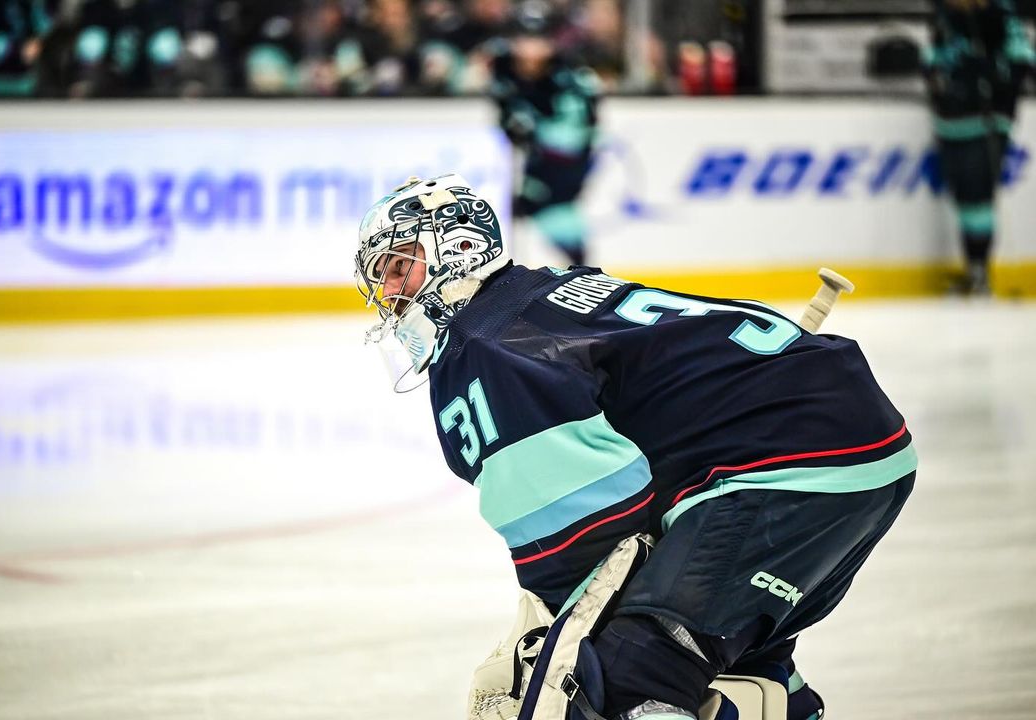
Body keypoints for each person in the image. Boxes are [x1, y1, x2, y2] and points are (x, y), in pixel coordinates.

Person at [355, 174, 917, 720]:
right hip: (854, 446)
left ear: (459, 247)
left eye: (400, 266)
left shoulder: (484, 349)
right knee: (735, 657)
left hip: (782, 470)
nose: (391, 293)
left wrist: (569, 648)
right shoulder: (544, 290)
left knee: (625, 676)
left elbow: (586, 544)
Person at [923, 0, 1035, 295]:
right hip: (951, 122)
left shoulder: (1000, 14)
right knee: (965, 199)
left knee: (978, 195)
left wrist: (997, 79)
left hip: (987, 121)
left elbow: (1024, 59)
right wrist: (936, 78)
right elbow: (932, 59)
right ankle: (975, 270)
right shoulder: (944, 16)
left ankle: (979, 271)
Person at [488, 1, 600, 266]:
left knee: (551, 213)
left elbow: (578, 133)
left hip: (564, 162)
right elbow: (502, 107)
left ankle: (583, 275)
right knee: (516, 211)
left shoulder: (570, 76)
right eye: (522, 37)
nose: (530, 47)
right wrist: (511, 124)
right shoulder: (502, 67)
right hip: (531, 158)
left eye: (538, 38)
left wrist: (535, 129)